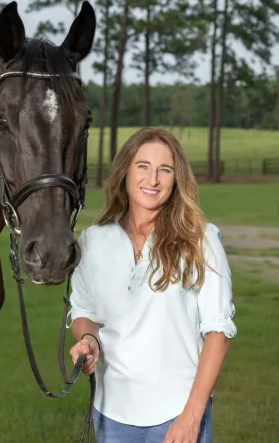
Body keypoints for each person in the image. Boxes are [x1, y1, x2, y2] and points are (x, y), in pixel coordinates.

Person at [68, 127, 237, 443]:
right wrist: (88, 339)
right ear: (125, 172)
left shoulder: (201, 240)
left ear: (177, 179)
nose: (153, 179)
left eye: (165, 169)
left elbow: (218, 332)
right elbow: (83, 311)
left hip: (177, 412)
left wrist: (191, 416)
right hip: (111, 412)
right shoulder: (93, 240)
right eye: (142, 166)